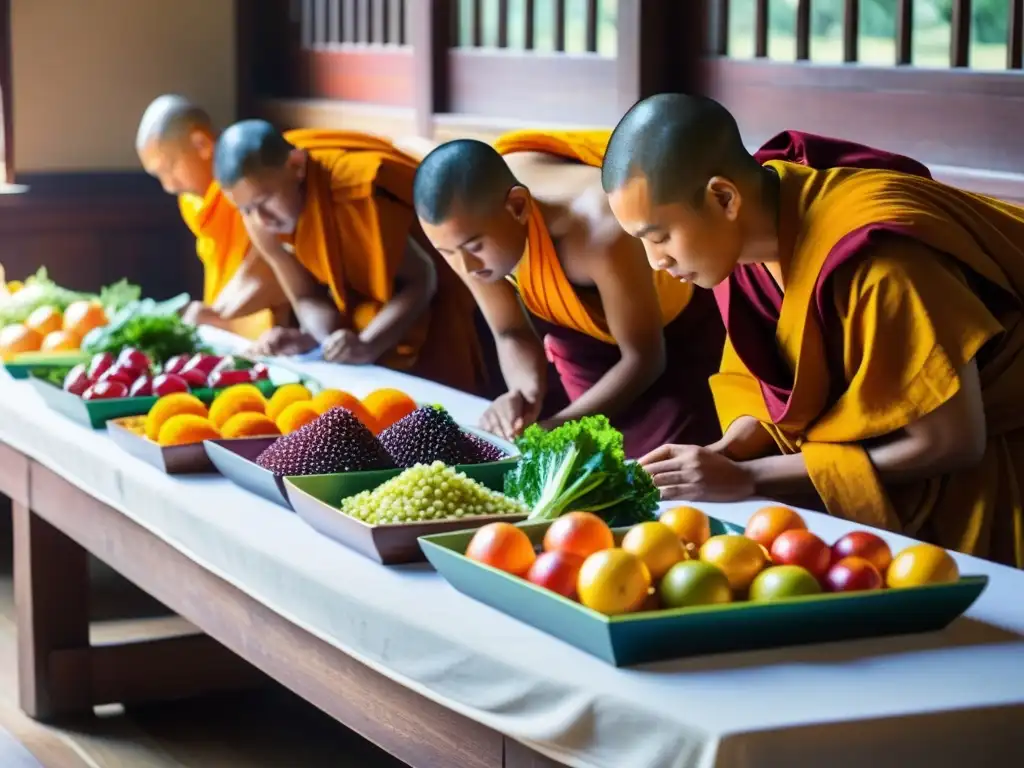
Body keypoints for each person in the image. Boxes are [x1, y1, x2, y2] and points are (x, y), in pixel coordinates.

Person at [602, 92, 1024, 567]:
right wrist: (727, 452)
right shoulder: (743, 241)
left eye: (659, 237)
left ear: (724, 197)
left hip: (996, 469)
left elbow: (953, 442)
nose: (656, 262)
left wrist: (751, 478)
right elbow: (768, 388)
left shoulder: (880, 263)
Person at [413, 131, 725, 458]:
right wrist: (524, 393)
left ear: (518, 207)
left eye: (474, 247)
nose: (465, 265)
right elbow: (510, 331)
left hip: (675, 339)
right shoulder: (469, 225)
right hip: (584, 343)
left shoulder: (598, 231)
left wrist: (561, 424)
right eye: (447, 252)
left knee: (666, 468)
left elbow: (644, 359)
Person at [213, 120, 491, 396]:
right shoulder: (258, 218)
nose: (260, 218)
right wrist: (314, 339)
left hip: (433, 309)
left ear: (296, 166)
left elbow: (422, 278)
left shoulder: (352, 190)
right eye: (246, 209)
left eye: (265, 201)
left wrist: (368, 344)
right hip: (367, 324)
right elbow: (304, 296)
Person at [136, 95, 289, 339]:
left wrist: (219, 314)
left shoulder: (250, 180)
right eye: (159, 175)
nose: (168, 186)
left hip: (275, 328)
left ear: (201, 145)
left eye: (170, 168)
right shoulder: (191, 200)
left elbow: (270, 267)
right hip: (227, 321)